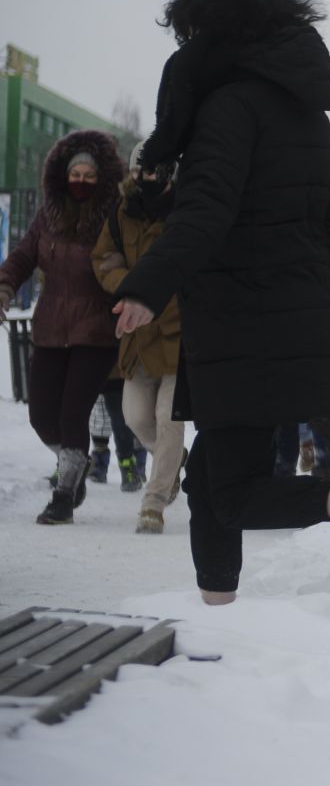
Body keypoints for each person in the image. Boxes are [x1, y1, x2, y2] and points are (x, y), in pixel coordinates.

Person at [112, 0, 330, 601]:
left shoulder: (228, 109)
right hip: (275, 319)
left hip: (240, 322)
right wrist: (295, 278)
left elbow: (208, 212)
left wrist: (145, 284)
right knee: (211, 475)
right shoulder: (297, 112)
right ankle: (219, 608)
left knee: (233, 491)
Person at [0, 131, 124, 524]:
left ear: (101, 177)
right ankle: (75, 465)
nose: (82, 181)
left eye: (90, 174)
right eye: (76, 173)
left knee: (73, 415)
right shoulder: (48, 216)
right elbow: (22, 257)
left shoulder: (113, 216)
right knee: (41, 416)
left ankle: (64, 496)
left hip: (96, 331)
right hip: (51, 327)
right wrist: (4, 287)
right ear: (62, 175)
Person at [91, 147, 187, 533]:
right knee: (134, 417)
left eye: (155, 170)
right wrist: (131, 289)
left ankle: (154, 502)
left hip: (178, 333)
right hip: (136, 332)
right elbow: (104, 260)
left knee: (168, 418)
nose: (146, 177)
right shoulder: (120, 214)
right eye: (141, 169)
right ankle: (174, 461)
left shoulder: (186, 210)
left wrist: (167, 294)